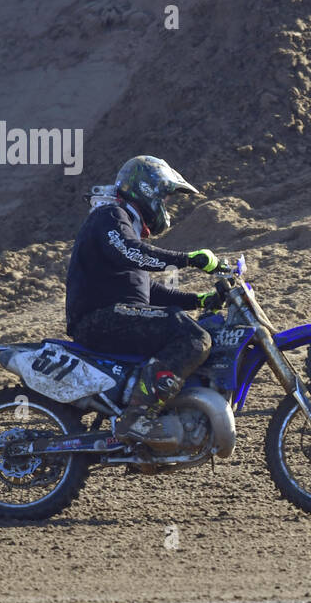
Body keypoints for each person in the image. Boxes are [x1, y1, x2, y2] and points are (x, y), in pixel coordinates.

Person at [65, 156, 224, 446]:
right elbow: (132, 252)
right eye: (164, 196)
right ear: (147, 189)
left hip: (117, 314)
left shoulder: (123, 222)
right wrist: (189, 260)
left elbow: (147, 290)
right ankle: (138, 417)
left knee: (182, 320)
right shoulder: (110, 216)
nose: (165, 204)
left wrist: (201, 300)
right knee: (193, 336)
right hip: (101, 318)